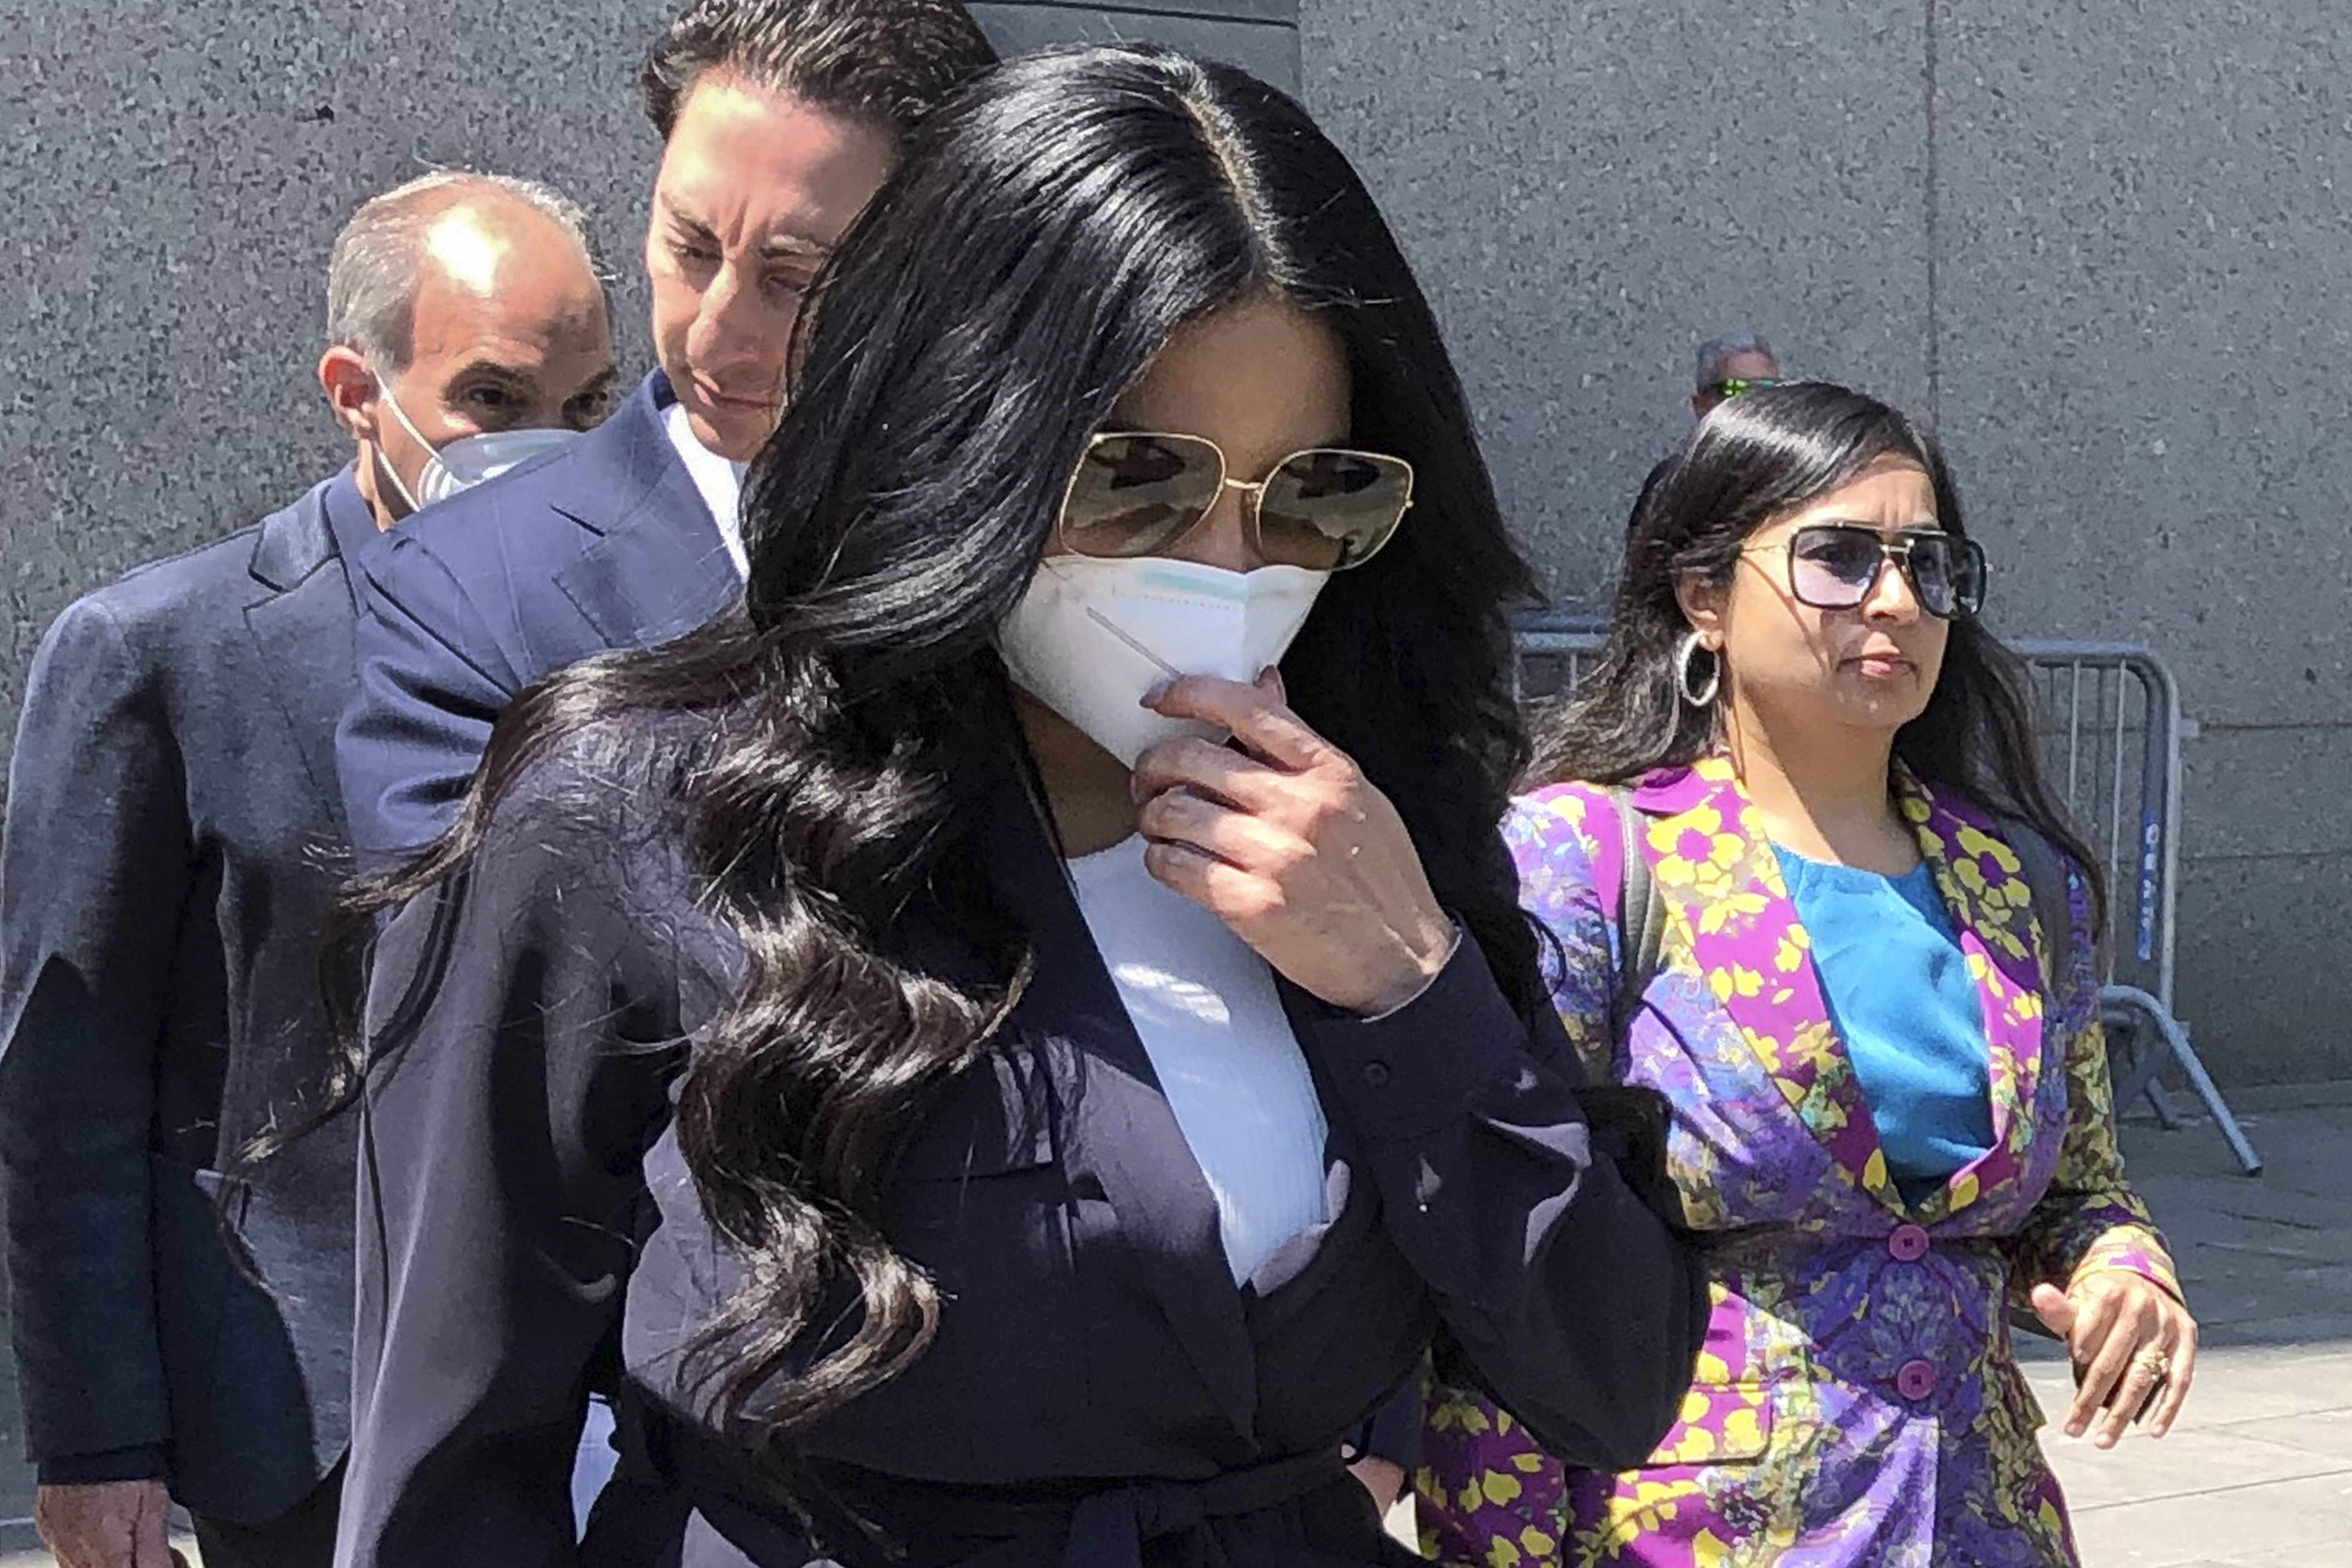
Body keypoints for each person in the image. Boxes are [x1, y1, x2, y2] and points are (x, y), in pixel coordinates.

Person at [332, 45, 1704, 1568]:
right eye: (1133, 478)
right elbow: (451, 1462)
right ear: (955, 439)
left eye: (1309, 492)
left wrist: (1407, 989)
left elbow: (1609, 1379)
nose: (1226, 565)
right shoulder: (635, 810)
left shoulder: (1372, 821)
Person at [1417, 383, 2197, 1568]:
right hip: (1685, 1529)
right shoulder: (1587, 861)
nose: (1896, 601)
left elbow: (2077, 1186)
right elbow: (1507, 1266)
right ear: (1703, 596)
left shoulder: (2025, 885)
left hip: (1981, 1518)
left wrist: (2122, 1268)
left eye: (1929, 565)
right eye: (1838, 559)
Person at [0, 171, 612, 1568]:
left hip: (604, 1386)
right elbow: (65, 1084)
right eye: (498, 403)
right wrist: (97, 1445)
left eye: (589, 409)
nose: (556, 452)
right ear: (357, 388)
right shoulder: (157, 653)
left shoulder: (642, 639)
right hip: (311, 1410)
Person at [332, 0, 998, 866]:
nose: (712, 334)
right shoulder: (463, 592)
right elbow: (457, 973)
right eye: (690, 247)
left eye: (793, 281)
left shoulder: (1051, 538)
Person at [1627, 333, 1786, 534]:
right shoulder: (1671, 486)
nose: (1755, 402)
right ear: (1701, 406)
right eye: (1735, 390)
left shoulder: (1808, 478)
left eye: (1768, 389)